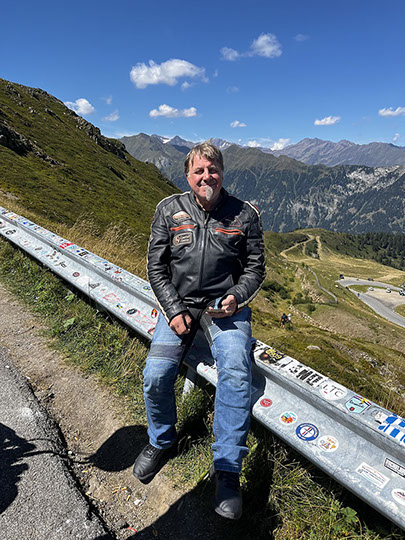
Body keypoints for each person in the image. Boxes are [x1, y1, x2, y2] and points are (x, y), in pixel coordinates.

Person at [132, 141, 265, 520]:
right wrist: (173, 310)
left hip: (226, 308)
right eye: (199, 171)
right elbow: (156, 267)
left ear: (222, 172)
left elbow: (256, 268)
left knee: (236, 373)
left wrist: (236, 297)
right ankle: (162, 440)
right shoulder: (168, 210)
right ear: (187, 176)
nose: (207, 177)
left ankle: (227, 468)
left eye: (213, 170)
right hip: (179, 304)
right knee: (156, 374)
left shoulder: (245, 214)